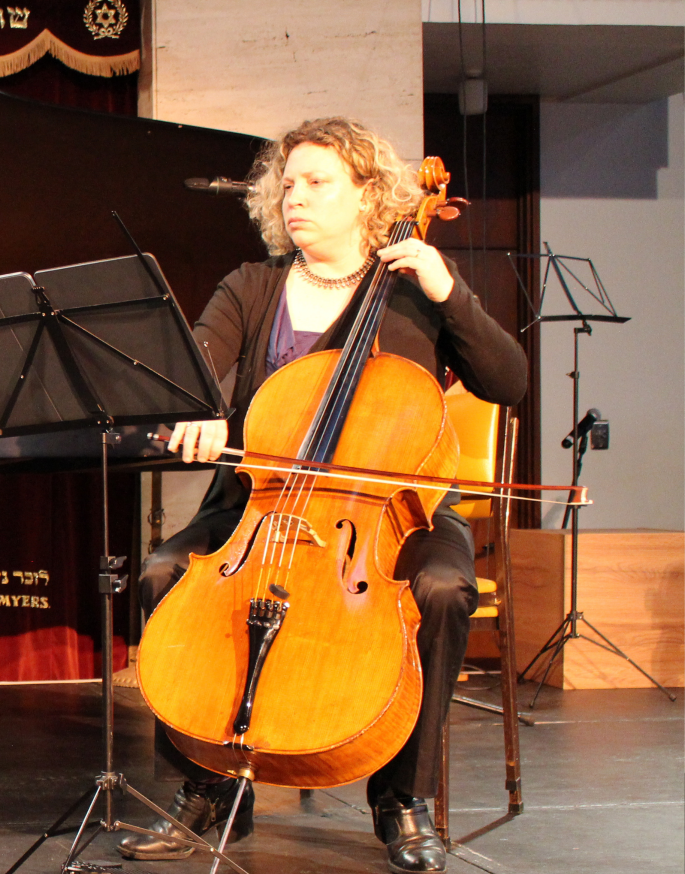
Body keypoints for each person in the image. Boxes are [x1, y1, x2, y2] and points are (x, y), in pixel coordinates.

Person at [119, 117, 527, 874]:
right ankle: (207, 789)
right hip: (261, 507)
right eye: (290, 182)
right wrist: (199, 411)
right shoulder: (252, 285)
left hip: (394, 513)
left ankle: (401, 798)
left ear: (368, 195)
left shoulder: (414, 294)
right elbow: (198, 370)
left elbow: (509, 383)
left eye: (317, 182)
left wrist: (450, 289)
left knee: (440, 588)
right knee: (161, 574)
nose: (294, 196)